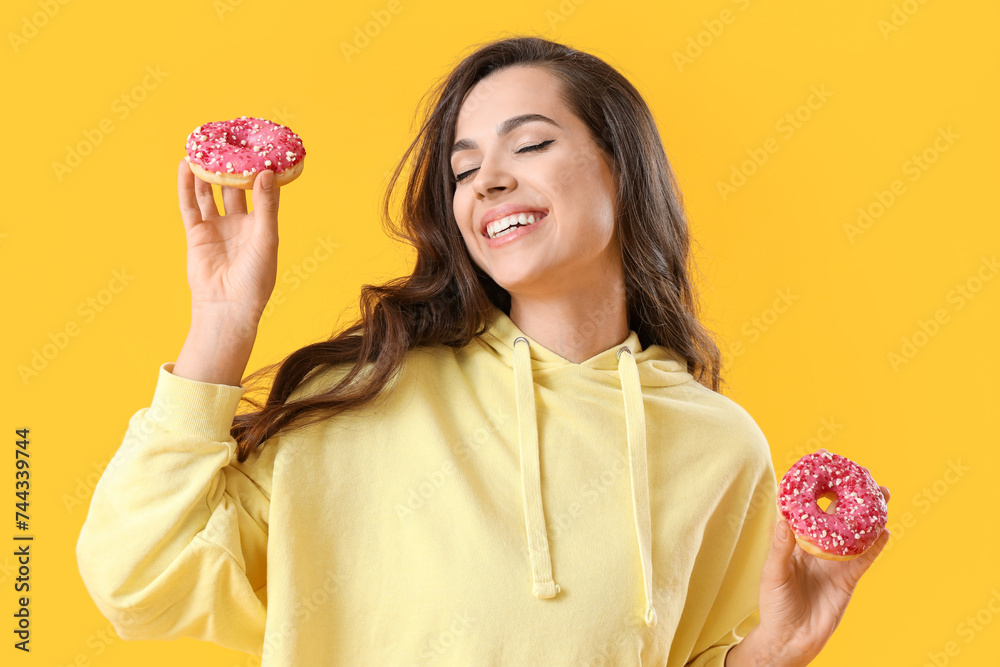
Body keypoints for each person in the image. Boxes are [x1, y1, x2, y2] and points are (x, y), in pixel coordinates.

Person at [76, 36, 891, 666]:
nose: (487, 182)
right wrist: (221, 323)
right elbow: (137, 580)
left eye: (529, 145)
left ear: (621, 168)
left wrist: (768, 654)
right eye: (464, 171)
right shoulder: (367, 393)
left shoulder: (720, 447)